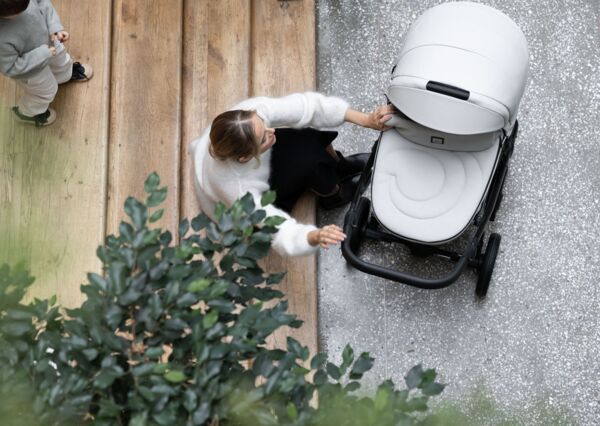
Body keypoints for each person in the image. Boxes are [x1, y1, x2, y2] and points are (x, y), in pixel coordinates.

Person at [191, 92, 394, 257]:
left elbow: (307, 107)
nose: (271, 131)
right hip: (247, 198)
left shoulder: (249, 117)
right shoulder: (237, 189)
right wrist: (313, 236)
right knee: (308, 165)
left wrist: (367, 120)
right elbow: (276, 227)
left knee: (304, 135)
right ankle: (333, 195)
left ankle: (337, 164)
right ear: (245, 157)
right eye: (263, 138)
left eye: (264, 123)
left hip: (255, 159)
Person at [0, 0, 93, 127]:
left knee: (62, 60)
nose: (26, 11)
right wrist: (43, 54)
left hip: (49, 41)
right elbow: (10, 68)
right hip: (30, 69)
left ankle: (65, 75)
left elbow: (42, 2)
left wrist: (54, 26)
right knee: (45, 92)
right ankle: (27, 112)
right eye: (16, 14)